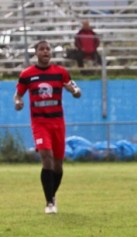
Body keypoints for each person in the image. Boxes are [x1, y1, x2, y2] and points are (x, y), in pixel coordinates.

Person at [14, 39, 82, 214]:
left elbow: (76, 91)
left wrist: (74, 91)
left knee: (58, 165)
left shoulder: (61, 73)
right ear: (36, 53)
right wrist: (18, 102)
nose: (45, 51)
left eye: (48, 49)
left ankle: (51, 195)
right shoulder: (27, 74)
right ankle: (49, 203)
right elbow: (18, 95)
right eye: (42, 49)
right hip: (39, 123)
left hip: (58, 124)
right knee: (47, 157)